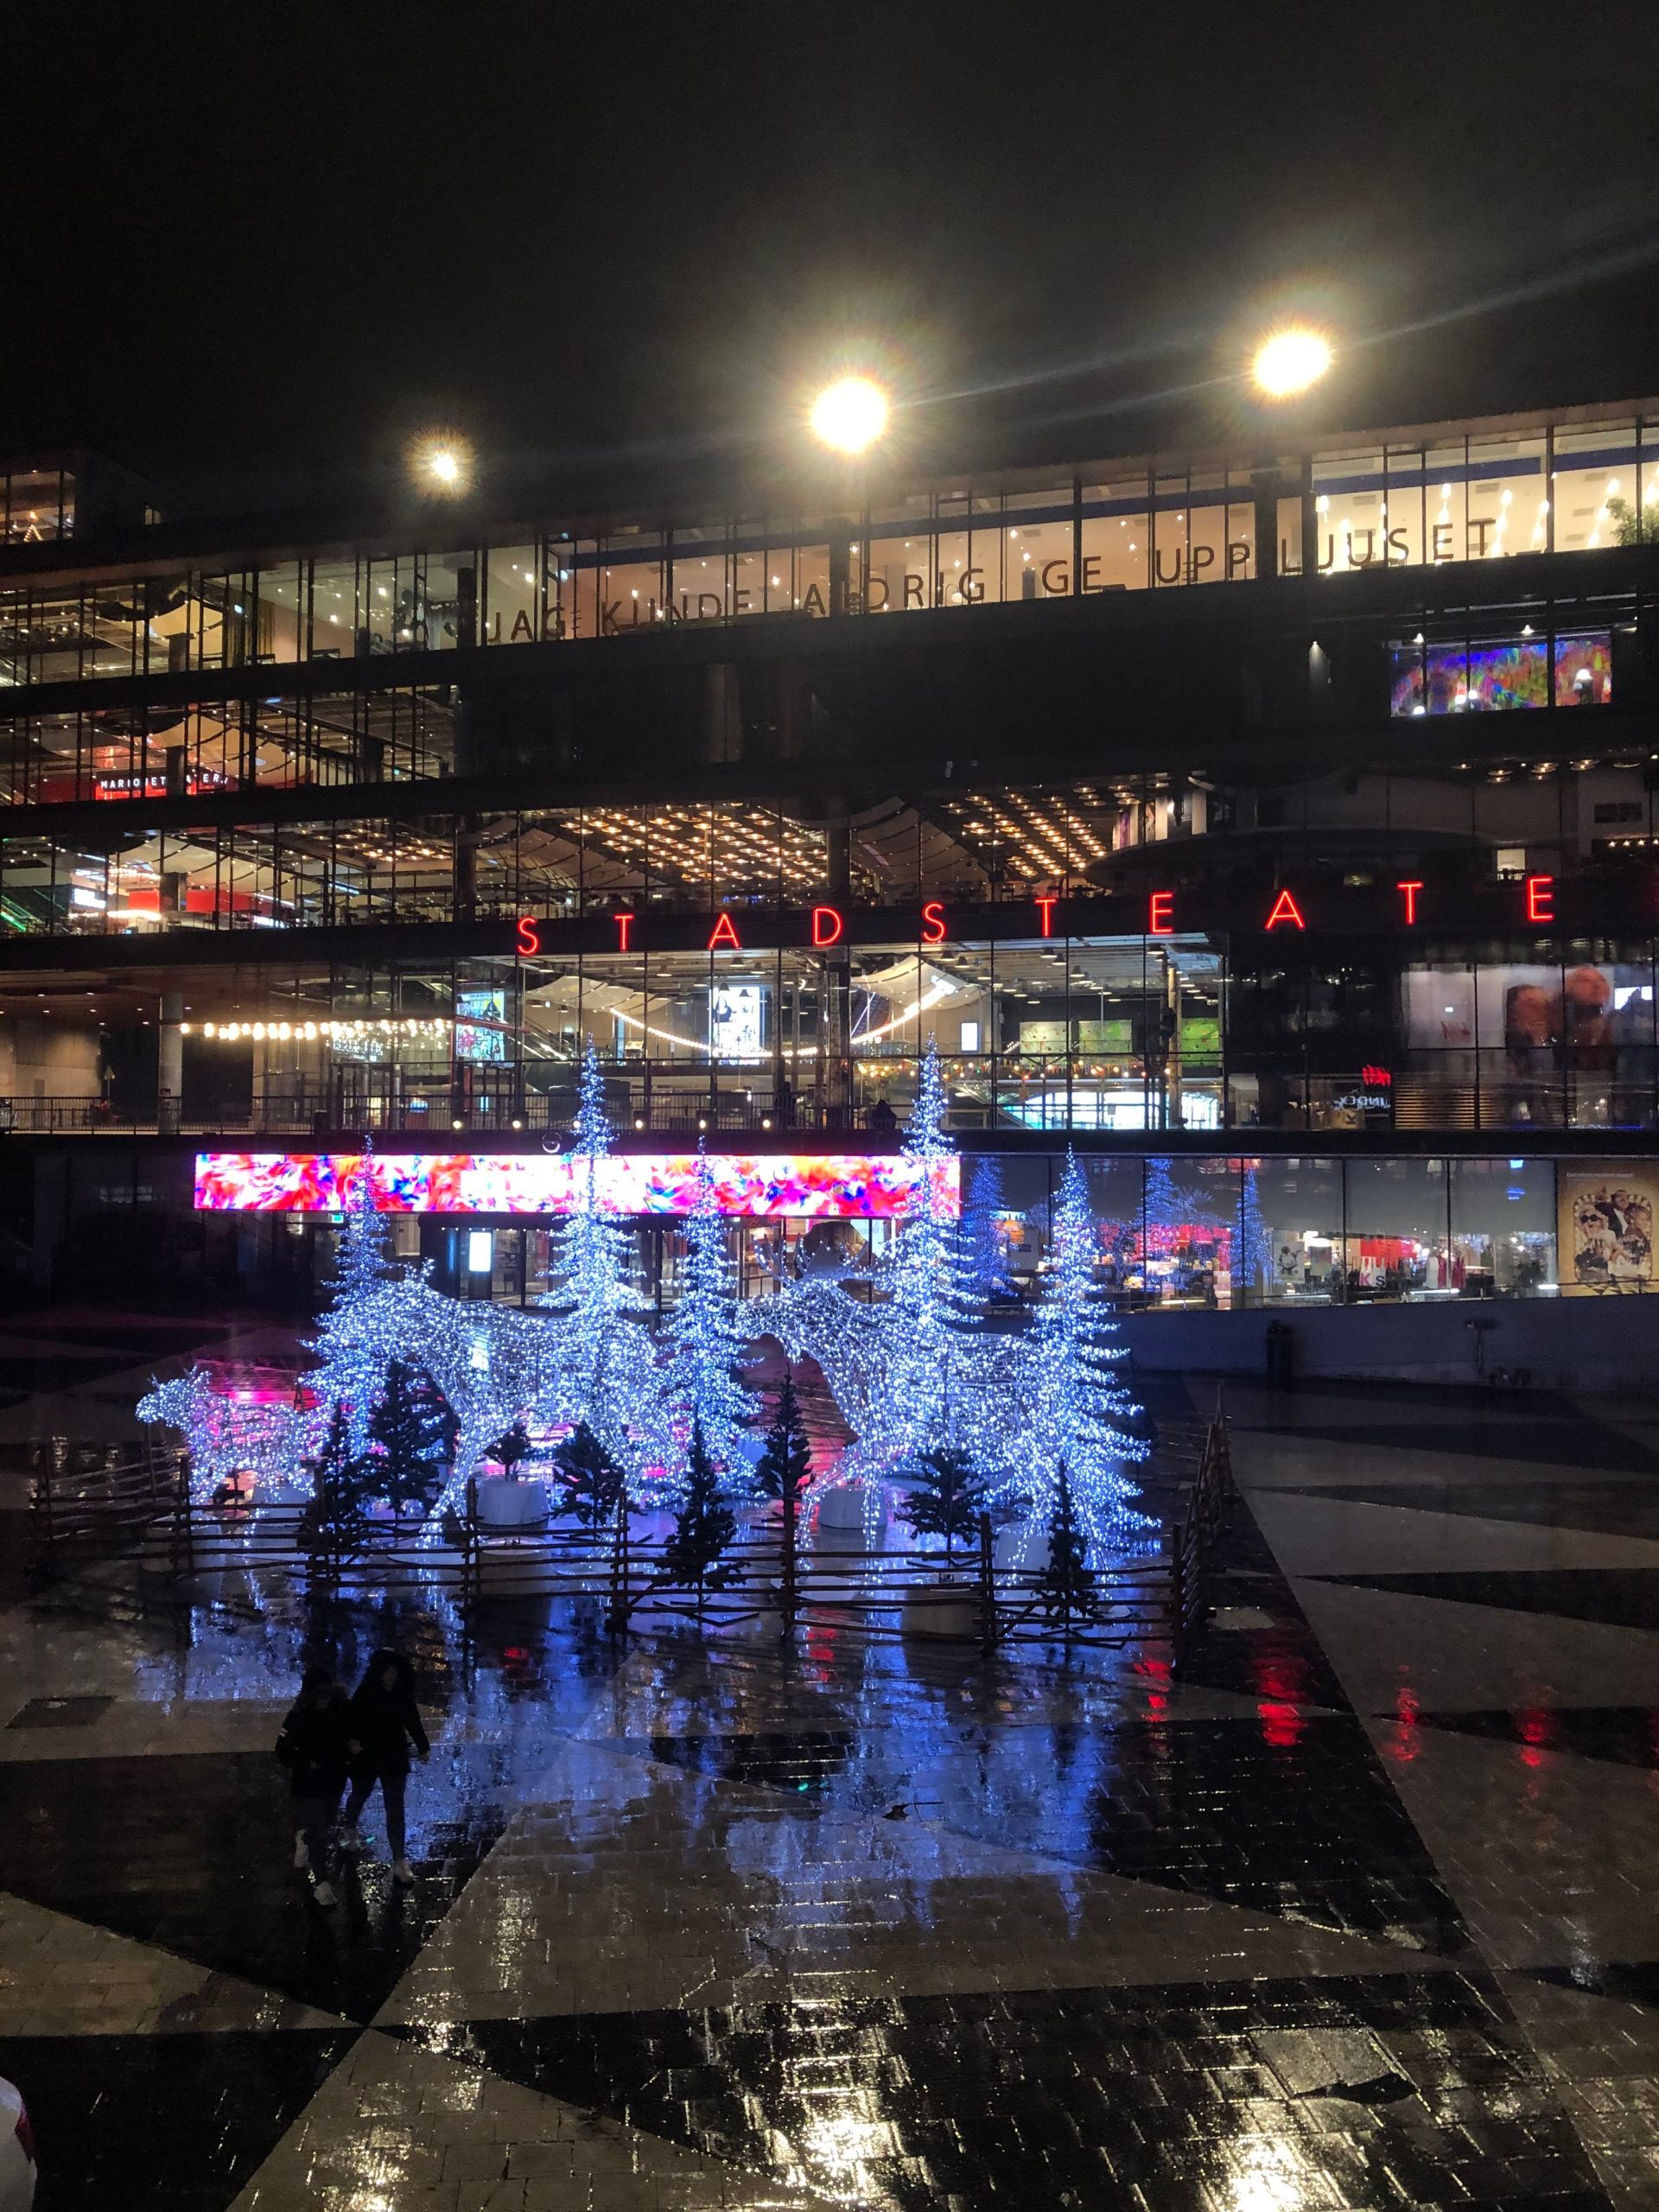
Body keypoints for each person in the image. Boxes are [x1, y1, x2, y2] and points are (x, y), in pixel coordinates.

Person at [340, 1648, 429, 1885]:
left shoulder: (401, 1696)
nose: (390, 1677)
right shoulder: (365, 1694)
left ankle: (399, 1860)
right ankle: (350, 1826)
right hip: (367, 1756)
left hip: (393, 1756)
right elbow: (351, 1721)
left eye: (394, 1673)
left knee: (395, 1808)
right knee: (360, 1793)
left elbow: (412, 1720)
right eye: (387, 1672)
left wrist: (423, 1746)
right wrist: (352, 1741)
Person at [275, 1664, 354, 1908]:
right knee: (320, 1831)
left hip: (334, 1780)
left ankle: (304, 1837)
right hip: (309, 1784)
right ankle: (321, 1882)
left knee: (324, 1824)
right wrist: (307, 1763)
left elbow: (353, 1733)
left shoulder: (342, 1710)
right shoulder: (298, 1716)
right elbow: (282, 1751)